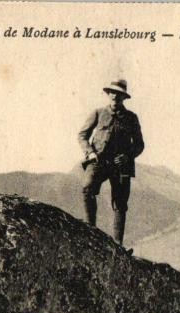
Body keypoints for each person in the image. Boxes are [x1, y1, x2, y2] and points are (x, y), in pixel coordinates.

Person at [78, 79, 144, 246]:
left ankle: (118, 245)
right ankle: (89, 233)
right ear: (108, 94)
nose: (115, 96)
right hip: (99, 161)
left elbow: (139, 144)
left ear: (124, 97)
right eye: (112, 92)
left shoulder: (131, 118)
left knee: (120, 203)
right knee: (87, 187)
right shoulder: (98, 113)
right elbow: (82, 135)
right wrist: (90, 153)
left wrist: (128, 156)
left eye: (119, 94)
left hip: (121, 165)